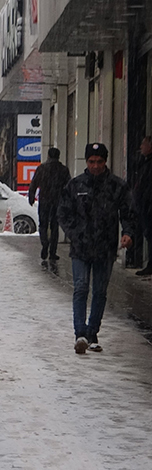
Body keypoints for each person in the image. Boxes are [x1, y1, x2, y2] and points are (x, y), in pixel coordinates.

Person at [57, 142, 136, 354]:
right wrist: (75, 233)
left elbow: (128, 212)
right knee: (81, 288)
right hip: (81, 248)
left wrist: (127, 233)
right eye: (91, 162)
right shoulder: (75, 186)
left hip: (105, 248)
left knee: (100, 292)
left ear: (105, 161)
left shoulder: (117, 186)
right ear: (86, 162)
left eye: (99, 161)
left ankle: (92, 333)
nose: (95, 166)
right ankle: (79, 333)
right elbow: (63, 213)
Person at [28, 147, 71, 261]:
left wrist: (31, 197)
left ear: (48, 156)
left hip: (44, 200)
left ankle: (44, 243)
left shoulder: (42, 168)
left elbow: (34, 183)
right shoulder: (63, 170)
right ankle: (52, 252)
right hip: (57, 201)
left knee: (43, 224)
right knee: (54, 226)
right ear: (58, 156)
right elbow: (69, 187)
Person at [130, 136, 152, 276]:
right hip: (144, 205)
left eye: (144, 144)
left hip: (147, 206)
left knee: (149, 234)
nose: (141, 147)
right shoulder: (144, 163)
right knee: (147, 234)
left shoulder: (148, 164)